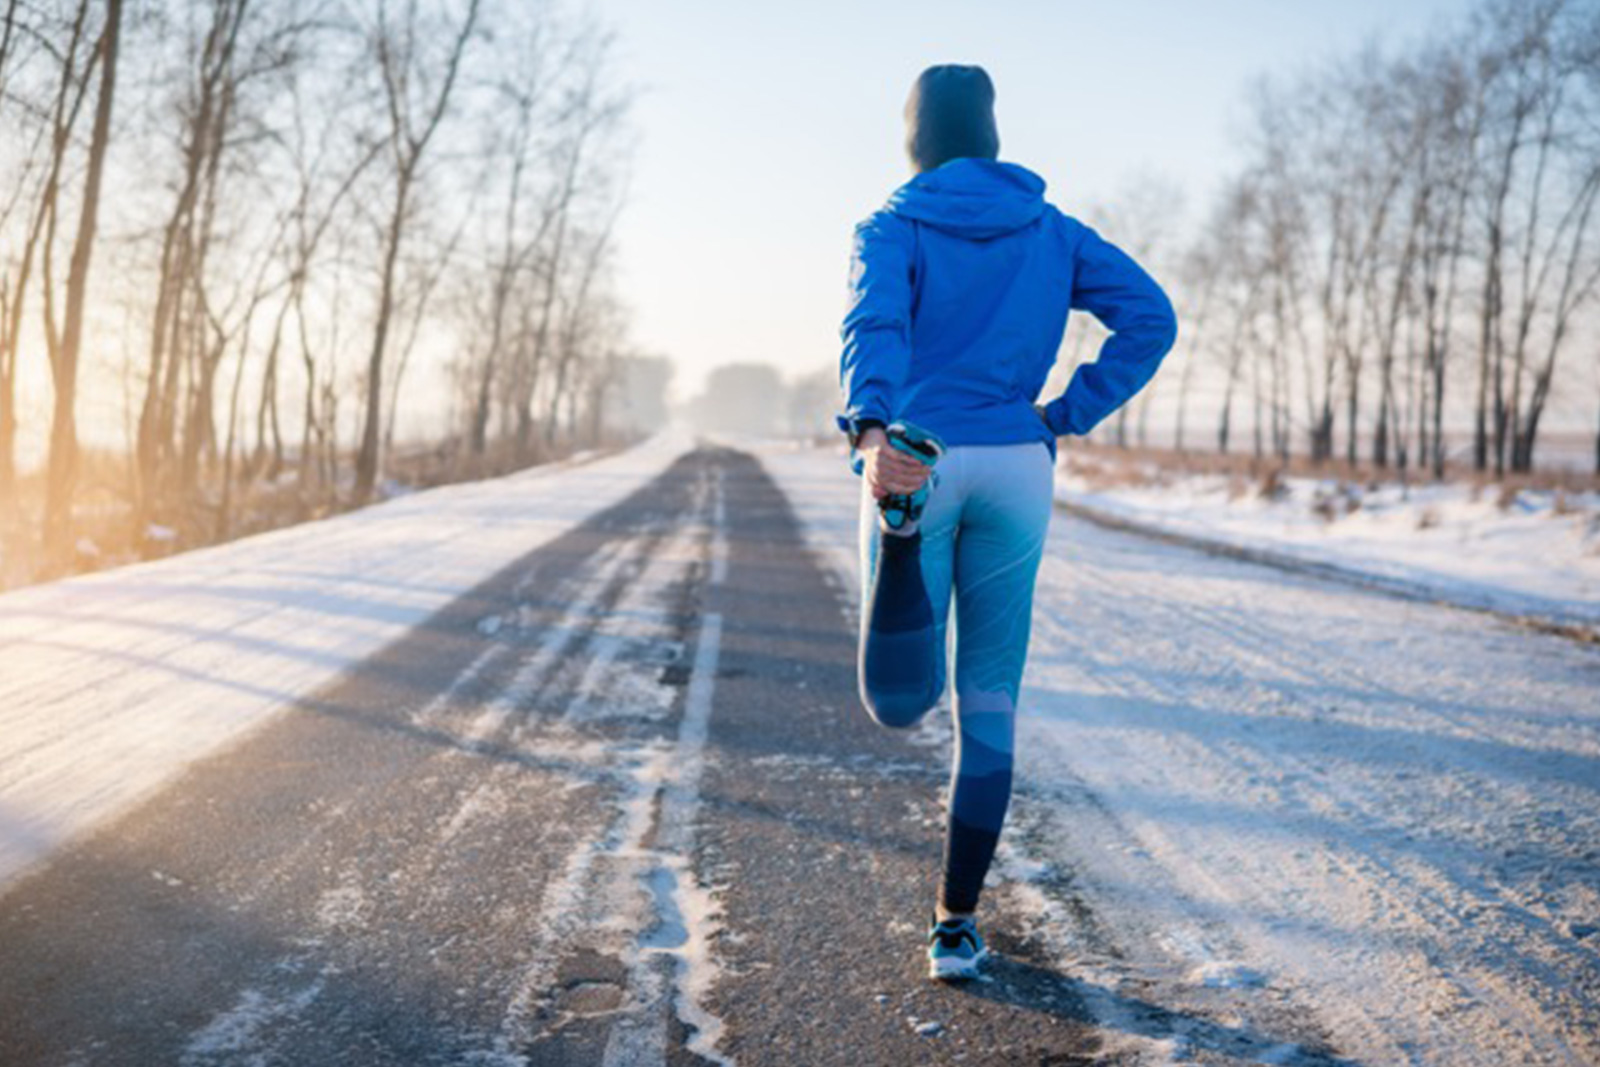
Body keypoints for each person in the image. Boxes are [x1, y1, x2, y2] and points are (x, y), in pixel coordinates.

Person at [836, 64, 1178, 981]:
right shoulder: (1054, 231)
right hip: (1018, 467)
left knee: (902, 700)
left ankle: (902, 535)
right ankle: (956, 924)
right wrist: (1064, 412)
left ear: (916, 140)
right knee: (990, 702)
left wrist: (871, 432)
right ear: (988, 137)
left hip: (917, 454)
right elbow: (1150, 318)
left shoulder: (893, 225)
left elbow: (875, 327)